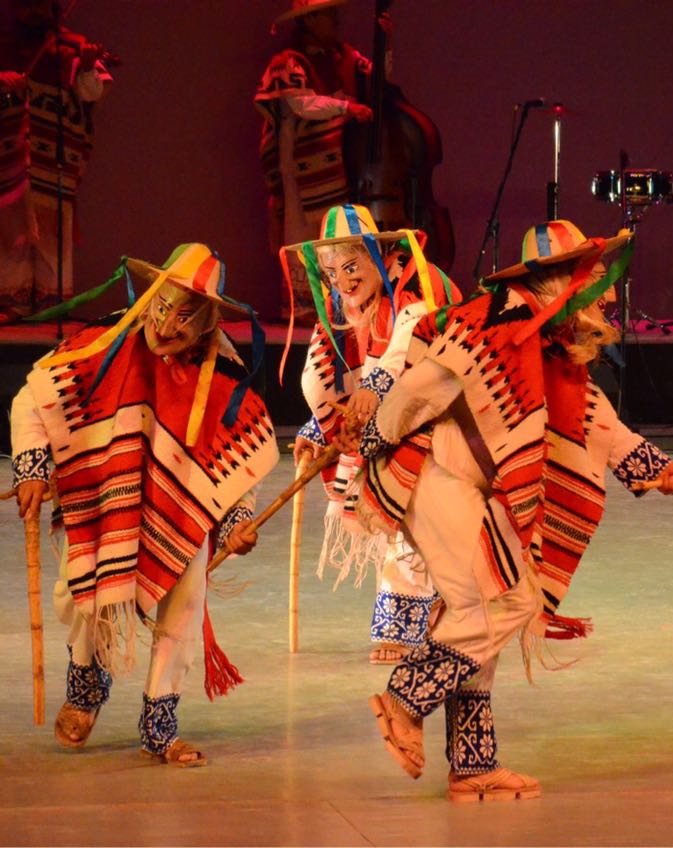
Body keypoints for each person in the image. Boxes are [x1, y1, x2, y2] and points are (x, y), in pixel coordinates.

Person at [335, 219, 673, 801]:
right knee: (503, 603)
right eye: (596, 281)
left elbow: (588, 418)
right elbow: (420, 389)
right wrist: (372, 434)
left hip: (466, 487)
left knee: (480, 619)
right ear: (563, 283)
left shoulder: (545, 346)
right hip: (436, 479)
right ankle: (405, 701)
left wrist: (652, 468)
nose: (606, 297)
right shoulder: (495, 330)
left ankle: (473, 764)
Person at [9, 243, 279, 766]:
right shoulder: (107, 343)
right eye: (162, 306)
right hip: (105, 499)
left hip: (181, 512)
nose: (166, 324)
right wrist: (32, 468)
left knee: (182, 606)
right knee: (87, 597)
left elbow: (231, 460)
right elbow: (31, 399)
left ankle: (160, 726)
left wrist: (237, 522)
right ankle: (85, 693)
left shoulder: (225, 376)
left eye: (185, 315)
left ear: (208, 323)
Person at [285, 203, 461, 663]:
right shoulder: (345, 312)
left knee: (410, 512)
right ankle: (438, 602)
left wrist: (374, 390)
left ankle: (403, 623)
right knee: (397, 511)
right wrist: (319, 428)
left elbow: (405, 351)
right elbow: (327, 376)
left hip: (437, 415)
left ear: (378, 255)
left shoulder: (415, 290)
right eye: (332, 272)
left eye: (351, 265)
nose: (343, 280)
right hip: (389, 423)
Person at [255, 0, 374, 318]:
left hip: (337, 169)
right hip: (300, 171)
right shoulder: (287, 62)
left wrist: (384, 40)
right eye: (329, 13)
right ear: (309, 19)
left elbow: (377, 79)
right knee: (303, 237)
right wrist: (347, 108)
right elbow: (301, 104)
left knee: (336, 235)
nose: (337, 20)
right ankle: (306, 314)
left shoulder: (343, 56)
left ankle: (338, 308)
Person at [0, 0, 112, 320]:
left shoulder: (71, 47)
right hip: (10, 159)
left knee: (52, 233)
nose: (30, 11)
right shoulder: (5, 46)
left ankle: (52, 304)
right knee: (11, 232)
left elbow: (92, 93)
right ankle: (13, 302)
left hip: (54, 160)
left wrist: (88, 66)